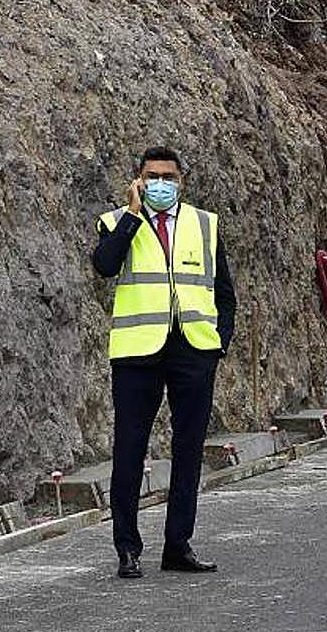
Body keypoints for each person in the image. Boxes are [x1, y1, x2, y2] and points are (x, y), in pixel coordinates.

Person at [92, 147, 236, 579]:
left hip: (193, 350)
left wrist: (218, 344)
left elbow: (224, 292)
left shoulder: (205, 225)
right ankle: (127, 549)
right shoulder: (117, 221)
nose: (160, 183)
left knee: (189, 449)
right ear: (138, 179)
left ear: (181, 181)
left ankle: (178, 545)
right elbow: (104, 266)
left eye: (168, 176)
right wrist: (134, 216)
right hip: (138, 352)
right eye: (152, 175)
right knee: (129, 450)